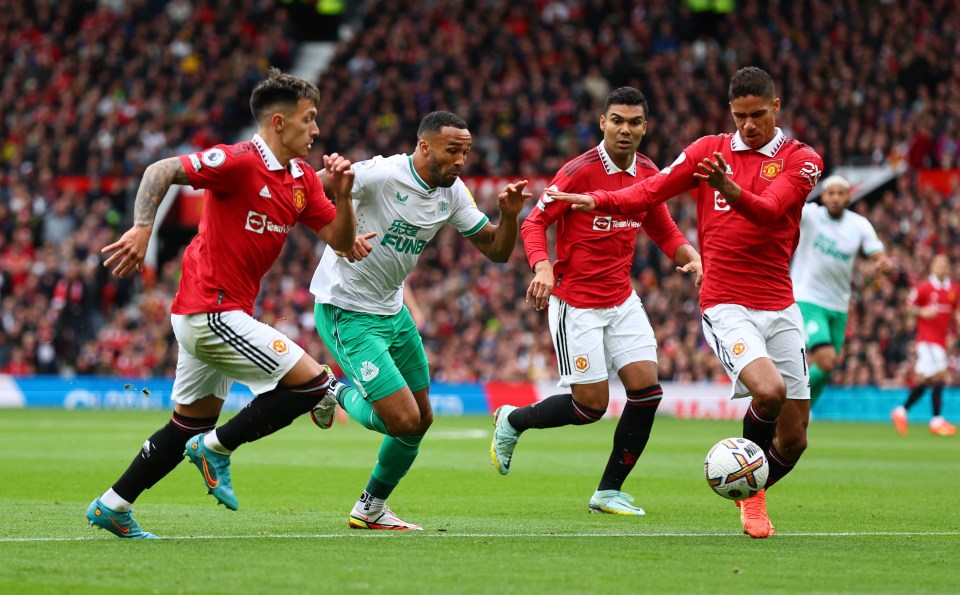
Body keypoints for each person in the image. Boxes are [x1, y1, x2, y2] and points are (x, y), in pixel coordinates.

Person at [548, 67, 824, 538]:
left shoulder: (802, 159)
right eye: (740, 116)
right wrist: (600, 200)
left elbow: (770, 210)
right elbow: (650, 190)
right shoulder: (708, 151)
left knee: (794, 439)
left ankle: (746, 482)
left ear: (776, 108)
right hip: (726, 302)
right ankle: (752, 500)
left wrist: (727, 187)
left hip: (780, 304)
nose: (749, 125)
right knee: (770, 391)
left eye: (758, 115)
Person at [87, 68, 357, 539]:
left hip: (218, 313)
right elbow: (161, 170)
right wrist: (143, 227)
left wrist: (346, 197)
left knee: (186, 425)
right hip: (210, 310)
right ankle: (216, 449)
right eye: (309, 119)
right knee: (316, 385)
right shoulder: (236, 161)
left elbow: (340, 238)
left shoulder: (303, 181)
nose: (316, 129)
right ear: (278, 122)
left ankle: (113, 505)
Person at [310, 111, 532, 530]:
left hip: (393, 312)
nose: (462, 160)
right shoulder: (380, 174)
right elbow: (308, 190)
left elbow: (497, 252)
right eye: (454, 150)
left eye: (466, 151)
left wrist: (510, 215)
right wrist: (338, 234)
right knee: (402, 420)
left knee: (421, 420)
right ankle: (326, 388)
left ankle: (371, 506)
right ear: (425, 146)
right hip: (347, 310)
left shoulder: (451, 193)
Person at [489, 87, 702, 516]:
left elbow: (661, 227)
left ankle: (608, 492)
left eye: (635, 122)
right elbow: (535, 223)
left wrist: (691, 255)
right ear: (602, 122)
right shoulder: (577, 172)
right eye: (618, 120)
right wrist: (543, 267)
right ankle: (512, 420)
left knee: (647, 393)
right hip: (576, 304)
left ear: (645, 127)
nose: (626, 129)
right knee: (590, 407)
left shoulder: (648, 171)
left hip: (622, 300)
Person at [790, 174, 892, 406]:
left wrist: (884, 264)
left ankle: (802, 414)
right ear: (823, 196)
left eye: (840, 193)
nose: (835, 198)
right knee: (825, 360)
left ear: (848, 197)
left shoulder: (859, 225)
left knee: (828, 367)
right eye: (831, 193)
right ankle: (789, 404)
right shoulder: (810, 215)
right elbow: (781, 208)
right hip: (808, 299)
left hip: (838, 305)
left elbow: (879, 255)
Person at [892, 254, 959, 436]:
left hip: (942, 340)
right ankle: (936, 420)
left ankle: (901, 411)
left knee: (931, 379)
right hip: (927, 340)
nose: (941, 268)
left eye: (945, 264)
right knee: (940, 375)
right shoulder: (924, 287)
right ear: (932, 267)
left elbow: (956, 314)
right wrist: (922, 311)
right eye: (938, 264)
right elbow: (908, 306)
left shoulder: (954, 289)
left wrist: (954, 333)